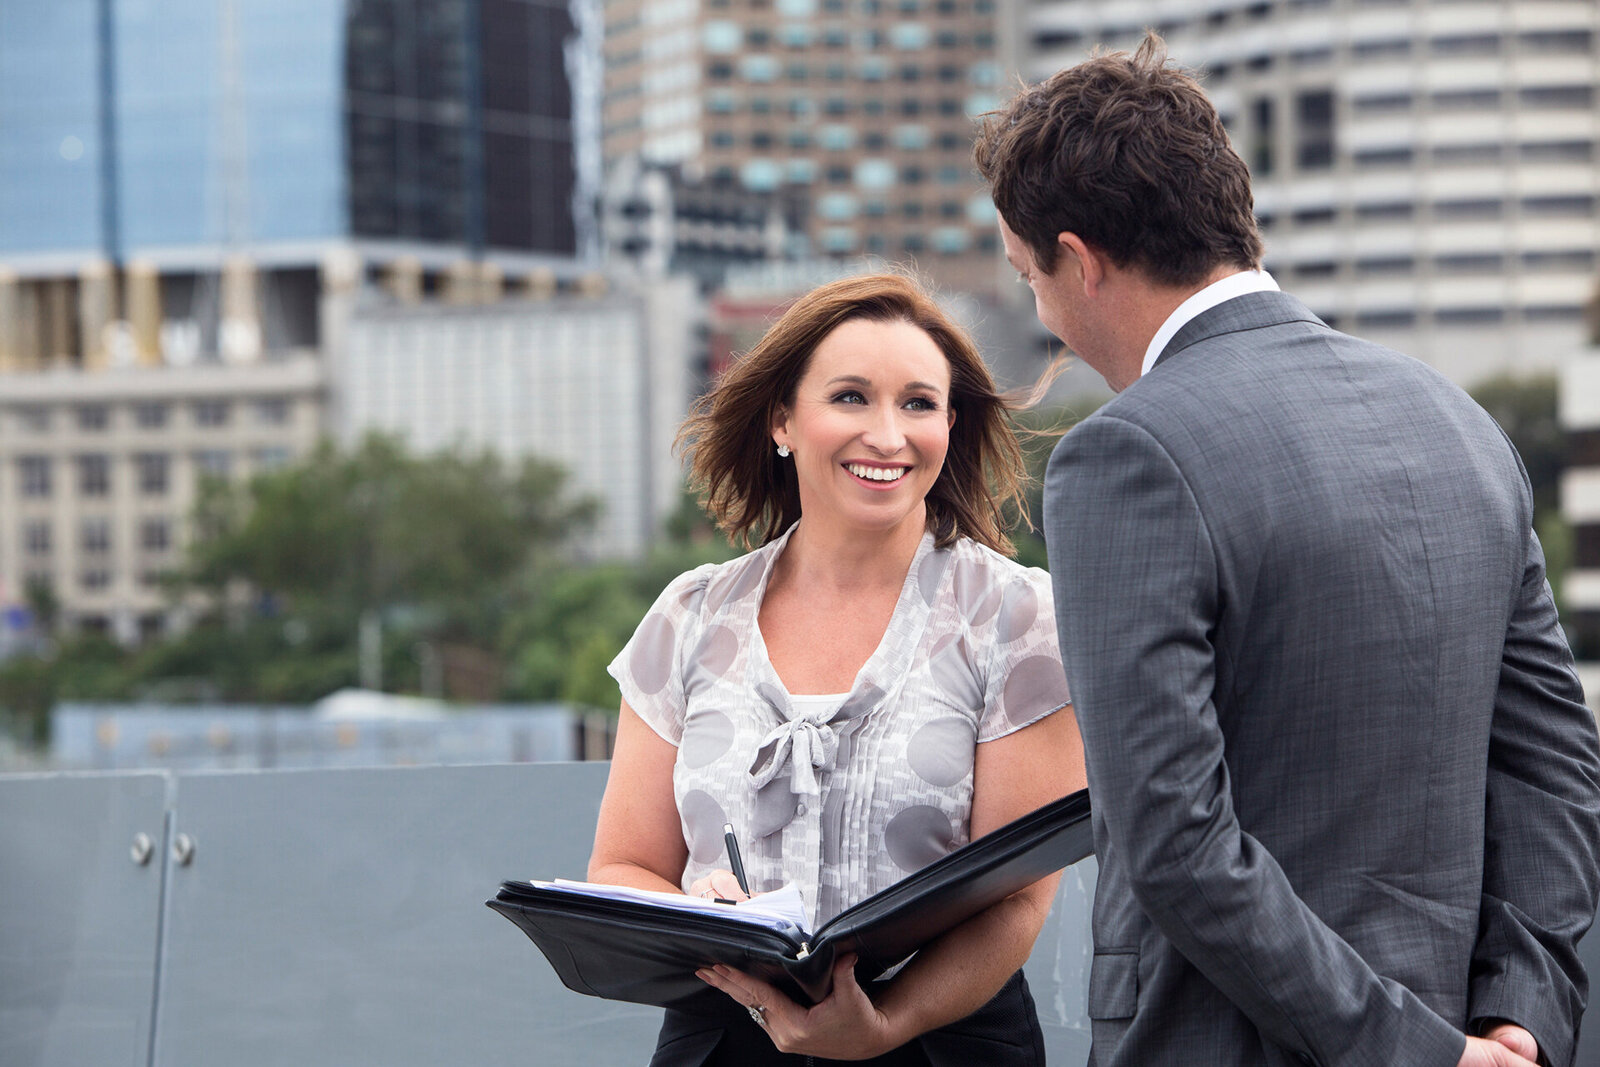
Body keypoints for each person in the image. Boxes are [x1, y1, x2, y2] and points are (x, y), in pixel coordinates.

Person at [975, 33, 1600, 1067]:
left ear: (1078, 261)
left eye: (1026, 275)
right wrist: (1516, 1024)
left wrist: (1417, 1054)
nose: (1039, 310)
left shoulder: (1123, 454)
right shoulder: (1458, 423)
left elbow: (1173, 839)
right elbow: (1555, 764)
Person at [588, 272, 1086, 1066]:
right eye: (851, 397)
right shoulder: (688, 616)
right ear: (783, 418)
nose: (888, 435)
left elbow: (1020, 896)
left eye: (919, 403)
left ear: (950, 425)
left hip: (940, 1040)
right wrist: (702, 916)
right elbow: (624, 864)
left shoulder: (1016, 617)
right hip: (723, 1039)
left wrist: (886, 1023)